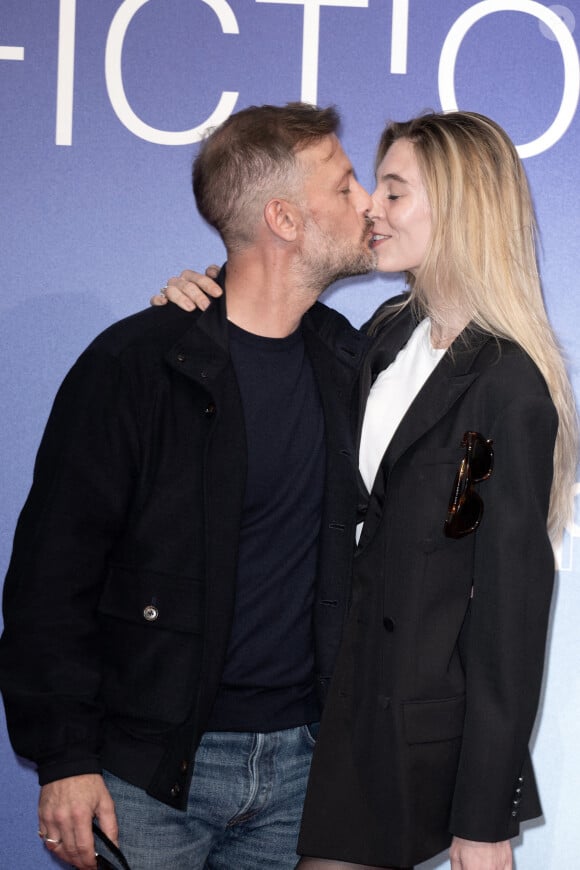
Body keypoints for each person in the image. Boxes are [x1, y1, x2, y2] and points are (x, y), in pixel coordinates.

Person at [152, 110, 578, 870]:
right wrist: (210, 292)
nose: (370, 210)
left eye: (393, 190)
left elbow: (503, 614)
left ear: (459, 206)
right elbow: (268, 329)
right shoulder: (382, 334)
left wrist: (484, 820)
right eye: (370, 187)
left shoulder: (506, 389)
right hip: (315, 722)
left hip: (395, 747)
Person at [0, 102, 377, 870]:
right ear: (285, 219)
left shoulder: (346, 361)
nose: (366, 201)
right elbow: (52, 576)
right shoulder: (135, 367)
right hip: (147, 773)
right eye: (344, 187)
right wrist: (65, 756)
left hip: (304, 768)